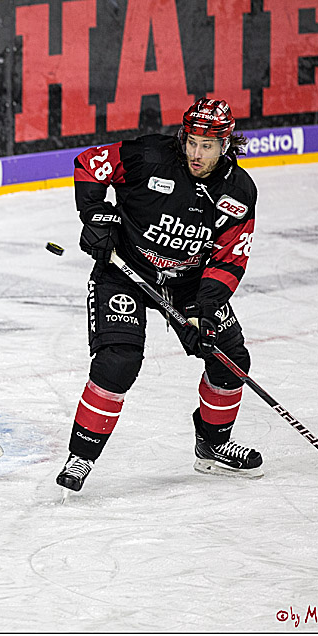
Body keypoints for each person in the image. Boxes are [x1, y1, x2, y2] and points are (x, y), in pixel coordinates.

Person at [57, 98, 261, 492]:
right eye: (192, 142)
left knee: (230, 359)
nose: (196, 153)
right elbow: (89, 164)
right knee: (118, 361)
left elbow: (229, 258)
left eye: (207, 145)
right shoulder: (149, 156)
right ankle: (81, 455)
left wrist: (203, 312)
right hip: (123, 272)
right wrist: (97, 216)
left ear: (225, 145)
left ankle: (214, 445)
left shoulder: (238, 191)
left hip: (189, 285)